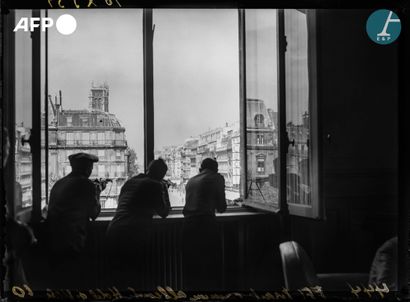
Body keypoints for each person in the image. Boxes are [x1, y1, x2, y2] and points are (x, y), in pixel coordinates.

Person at [105, 158, 170, 289]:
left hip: (113, 230)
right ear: (161, 175)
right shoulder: (155, 184)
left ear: (148, 169)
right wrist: (164, 189)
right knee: (134, 278)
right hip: (132, 234)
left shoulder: (131, 181)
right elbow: (164, 212)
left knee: (117, 279)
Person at [46, 152, 105, 288]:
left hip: (54, 244)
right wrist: (97, 192)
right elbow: (94, 213)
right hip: (73, 244)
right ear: (87, 169)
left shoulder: (59, 183)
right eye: (90, 168)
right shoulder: (86, 184)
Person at [182, 158, 227, 291]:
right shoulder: (217, 178)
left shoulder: (190, 181)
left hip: (187, 227)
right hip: (205, 226)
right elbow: (221, 208)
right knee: (211, 268)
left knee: (191, 269)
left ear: (200, 169)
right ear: (216, 169)